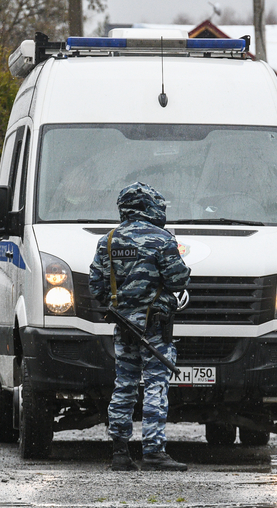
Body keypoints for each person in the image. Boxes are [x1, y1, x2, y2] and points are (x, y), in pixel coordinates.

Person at [89, 182, 191, 472]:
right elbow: (178, 280)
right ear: (150, 206)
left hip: (123, 327)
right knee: (156, 384)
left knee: (124, 385)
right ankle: (154, 451)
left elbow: (95, 285)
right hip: (155, 329)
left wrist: (122, 306)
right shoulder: (161, 239)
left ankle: (119, 452)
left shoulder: (107, 241)